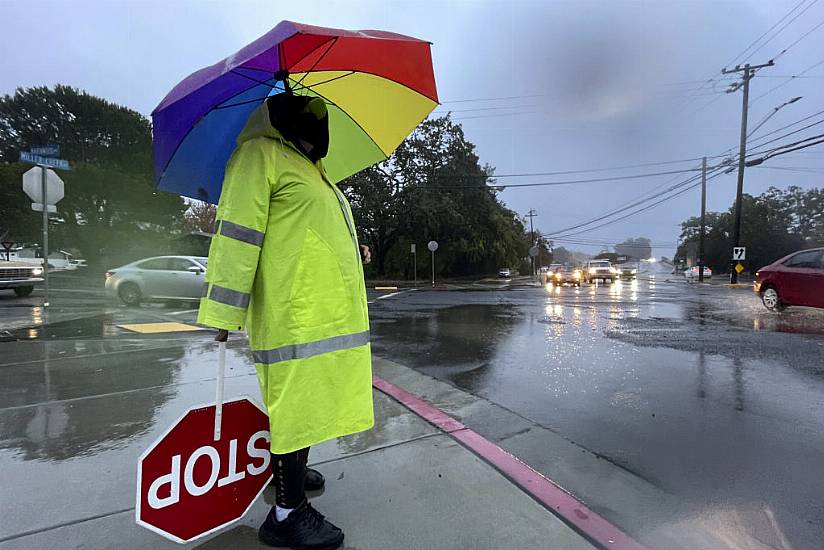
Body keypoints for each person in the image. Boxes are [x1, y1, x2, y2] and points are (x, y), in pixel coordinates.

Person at [197, 91, 374, 550]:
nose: (320, 126)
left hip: (324, 315)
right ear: (281, 118)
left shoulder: (312, 169)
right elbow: (237, 235)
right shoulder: (259, 155)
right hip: (293, 316)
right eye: (309, 115)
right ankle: (285, 513)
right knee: (294, 405)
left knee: (308, 405)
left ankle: (289, 474)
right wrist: (223, 311)